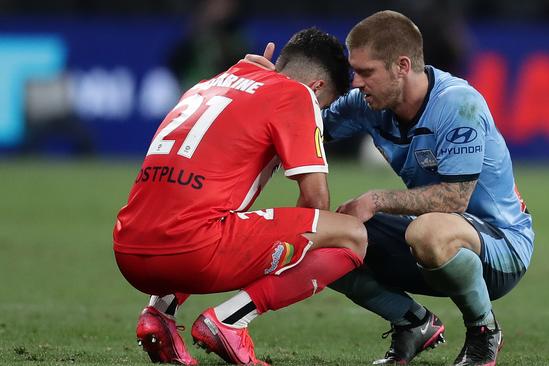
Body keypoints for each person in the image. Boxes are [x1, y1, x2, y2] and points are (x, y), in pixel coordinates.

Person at [247, 10, 534, 366]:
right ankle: (412, 323)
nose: (355, 83)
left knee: (428, 231)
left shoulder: (458, 104)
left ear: (401, 66)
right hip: (426, 241)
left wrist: (377, 200)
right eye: (355, 71)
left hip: (500, 247)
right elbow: (296, 129)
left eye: (367, 72)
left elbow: (455, 199)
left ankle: (483, 333)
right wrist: (267, 90)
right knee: (325, 239)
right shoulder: (366, 105)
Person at [113, 28, 367, 366]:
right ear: (318, 87)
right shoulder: (298, 94)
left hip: (127, 249)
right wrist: (289, 251)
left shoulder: (209, 82)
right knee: (351, 235)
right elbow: (316, 200)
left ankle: (158, 313)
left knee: (205, 210)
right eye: (323, 107)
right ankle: (231, 321)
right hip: (190, 253)